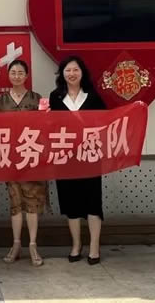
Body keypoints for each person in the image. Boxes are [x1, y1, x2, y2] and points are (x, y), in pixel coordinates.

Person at [49, 56, 106, 265]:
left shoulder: (93, 96)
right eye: (67, 70)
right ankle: (76, 245)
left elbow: (105, 122)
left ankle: (94, 247)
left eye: (75, 70)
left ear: (82, 73)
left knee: (93, 202)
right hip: (65, 158)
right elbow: (51, 125)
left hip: (90, 157)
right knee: (70, 202)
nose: (71, 74)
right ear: (62, 74)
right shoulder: (55, 97)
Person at [0, 59, 47, 267]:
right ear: (8, 75)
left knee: (32, 202)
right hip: (11, 156)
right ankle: (16, 244)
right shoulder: (1, 100)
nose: (16, 76)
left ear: (26, 76)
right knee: (15, 203)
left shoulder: (37, 98)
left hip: (32, 155)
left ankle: (32, 245)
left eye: (20, 73)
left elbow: (46, 126)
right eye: (13, 72)